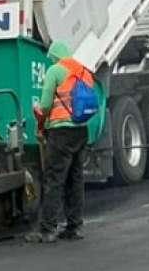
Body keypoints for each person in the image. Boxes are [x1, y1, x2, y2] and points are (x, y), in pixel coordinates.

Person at [26, 41, 97, 244]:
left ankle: (46, 229)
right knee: (75, 178)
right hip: (80, 130)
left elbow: (46, 104)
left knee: (54, 179)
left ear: (55, 56)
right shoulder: (83, 70)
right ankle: (75, 226)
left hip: (61, 132)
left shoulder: (55, 71)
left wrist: (40, 118)